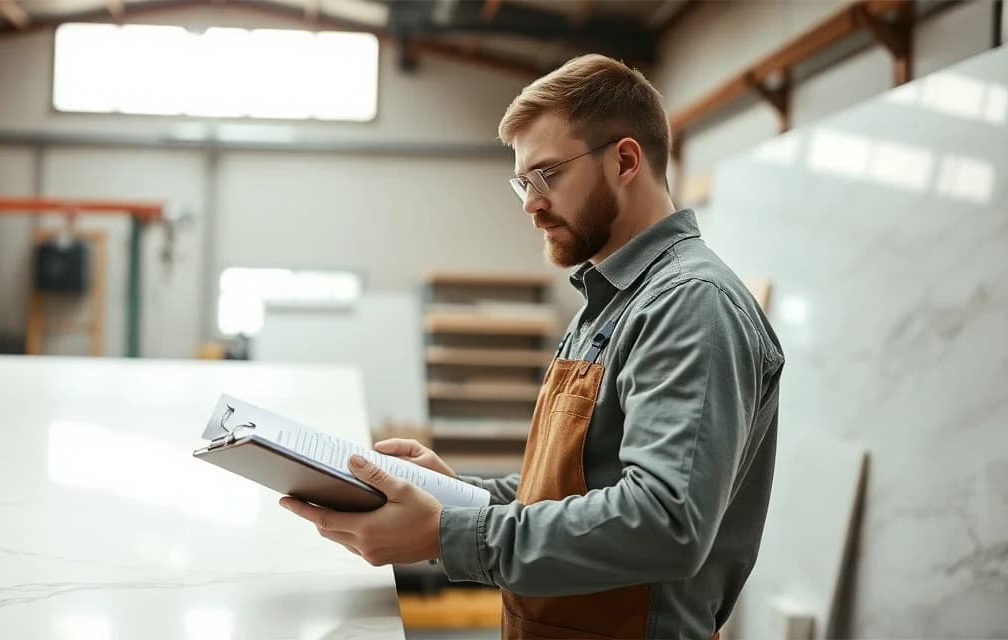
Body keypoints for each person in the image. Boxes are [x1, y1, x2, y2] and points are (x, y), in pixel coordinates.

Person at [280, 53, 785, 640]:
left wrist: (445, 533)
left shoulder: (689, 304)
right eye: (522, 181)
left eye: (547, 175)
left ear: (625, 160)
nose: (529, 203)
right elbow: (580, 489)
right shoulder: (611, 300)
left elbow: (664, 522)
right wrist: (452, 496)